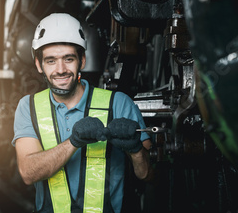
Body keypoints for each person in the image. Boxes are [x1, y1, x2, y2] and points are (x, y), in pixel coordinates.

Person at [12, 13, 153, 213]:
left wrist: (137, 150)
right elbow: (28, 172)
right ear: (38, 65)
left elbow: (149, 175)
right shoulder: (29, 107)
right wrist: (73, 142)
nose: (60, 69)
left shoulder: (119, 103)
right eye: (51, 61)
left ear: (82, 60)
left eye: (68, 59)